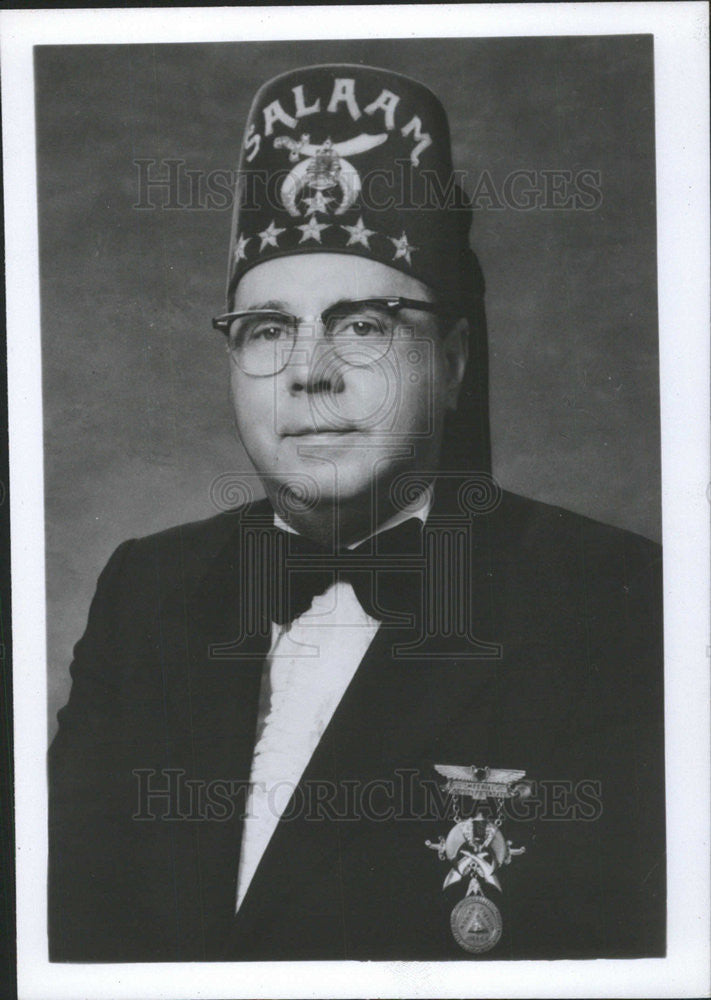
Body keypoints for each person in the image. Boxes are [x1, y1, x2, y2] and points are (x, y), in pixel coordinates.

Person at [48, 63, 665, 962]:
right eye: (267, 329)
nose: (309, 372)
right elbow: (57, 923)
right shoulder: (149, 587)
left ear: (452, 362)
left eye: (362, 324)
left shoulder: (611, 599)